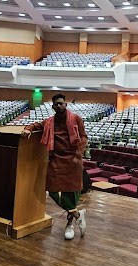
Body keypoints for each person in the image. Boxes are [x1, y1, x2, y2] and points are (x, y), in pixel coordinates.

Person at [22, 94, 88, 240]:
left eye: (61, 103)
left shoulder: (76, 118)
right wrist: (28, 129)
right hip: (56, 159)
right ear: (52, 106)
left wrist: (78, 153)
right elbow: (36, 125)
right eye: (56, 104)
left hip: (72, 160)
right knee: (52, 191)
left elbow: (83, 137)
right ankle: (77, 214)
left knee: (70, 194)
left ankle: (70, 225)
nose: (58, 106)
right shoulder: (49, 121)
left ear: (65, 104)